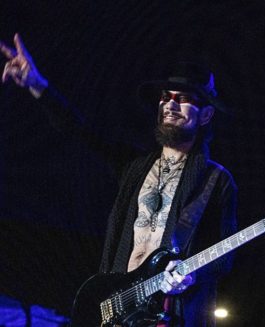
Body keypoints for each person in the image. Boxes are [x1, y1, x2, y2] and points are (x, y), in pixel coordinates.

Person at [1, 34, 237, 326]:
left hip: (167, 311)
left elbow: (224, 259)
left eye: (184, 99)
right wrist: (38, 86)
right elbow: (81, 132)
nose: (171, 105)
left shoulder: (216, 181)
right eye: (166, 97)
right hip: (117, 306)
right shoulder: (134, 166)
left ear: (205, 115)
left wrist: (190, 274)